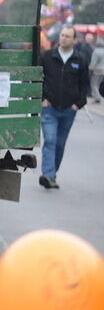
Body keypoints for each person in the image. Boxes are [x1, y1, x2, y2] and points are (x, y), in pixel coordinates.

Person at [38, 25, 89, 189]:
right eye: (62, 35)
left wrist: (77, 104)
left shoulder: (80, 60)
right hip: (49, 107)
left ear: (75, 40)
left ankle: (52, 174)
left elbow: (84, 85)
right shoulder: (47, 56)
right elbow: (37, 78)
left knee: (60, 144)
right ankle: (48, 175)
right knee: (50, 140)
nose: (63, 38)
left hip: (69, 110)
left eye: (67, 36)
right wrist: (41, 99)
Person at [90, 36, 104, 104]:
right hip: (103, 70)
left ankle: (97, 97)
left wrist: (91, 68)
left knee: (94, 84)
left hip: (97, 70)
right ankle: (97, 98)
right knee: (98, 84)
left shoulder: (96, 51)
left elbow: (93, 62)